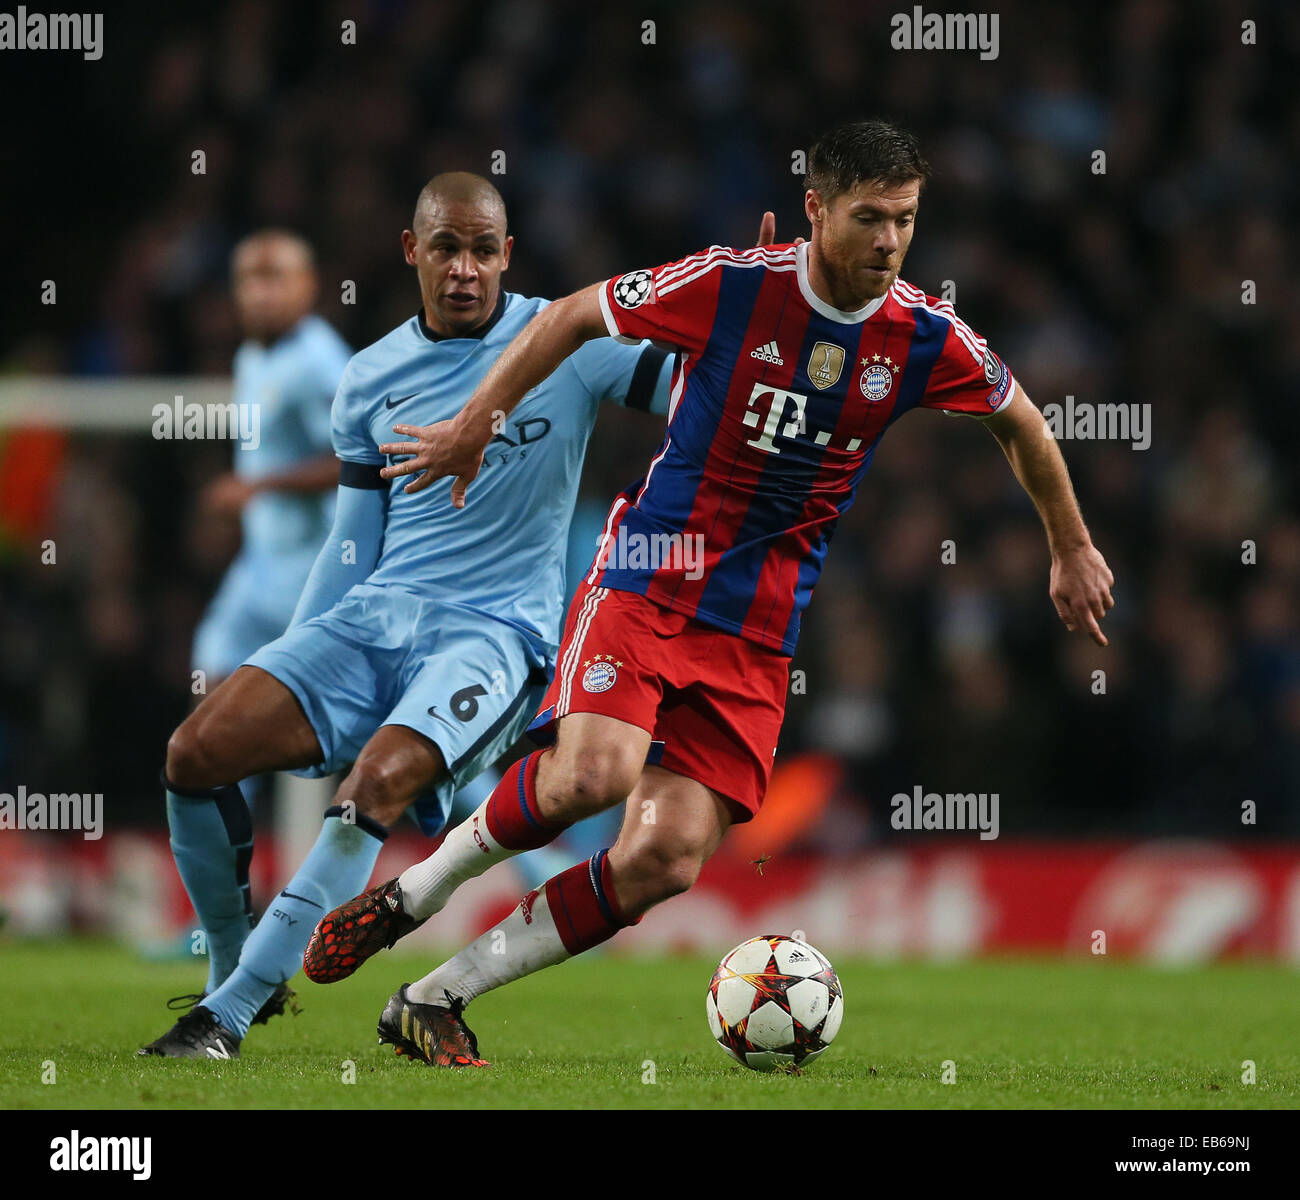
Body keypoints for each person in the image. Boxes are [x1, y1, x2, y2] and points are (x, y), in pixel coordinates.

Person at [306, 119, 1115, 1069]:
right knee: (595, 778)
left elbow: (1020, 420)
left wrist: (1071, 545)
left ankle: (436, 998)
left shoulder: (924, 336)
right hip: (649, 577)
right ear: (817, 210)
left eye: (905, 220)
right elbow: (569, 315)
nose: (891, 242)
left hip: (758, 631)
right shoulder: (734, 284)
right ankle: (412, 897)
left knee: (665, 859)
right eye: (869, 218)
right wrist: (477, 424)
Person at [139, 172, 677, 1058]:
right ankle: (235, 967)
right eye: (445, 248)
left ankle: (225, 1017)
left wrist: (757, 304)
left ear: (508, 256)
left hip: (494, 634)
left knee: (375, 785)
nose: (464, 269)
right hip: (376, 616)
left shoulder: (568, 341)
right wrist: (294, 655)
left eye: (481, 250)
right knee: (193, 755)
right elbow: (352, 544)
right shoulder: (369, 377)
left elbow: (695, 385)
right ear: (411, 251)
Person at [191, 231, 348, 695]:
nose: (260, 293)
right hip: (262, 563)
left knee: (352, 724)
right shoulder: (251, 354)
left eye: (274, 278)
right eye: (249, 279)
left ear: (308, 285)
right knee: (211, 683)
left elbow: (354, 459)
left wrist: (258, 488)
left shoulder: (320, 361)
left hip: (318, 571)